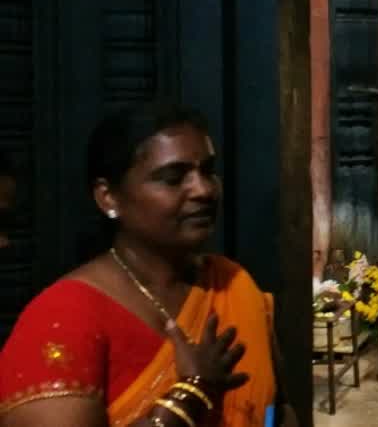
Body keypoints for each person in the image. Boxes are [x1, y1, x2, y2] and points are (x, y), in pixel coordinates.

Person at [0, 102, 298, 427]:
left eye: (208, 171)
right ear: (108, 198)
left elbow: (280, 412)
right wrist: (190, 394)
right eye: (173, 178)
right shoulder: (65, 316)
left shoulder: (234, 284)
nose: (204, 190)